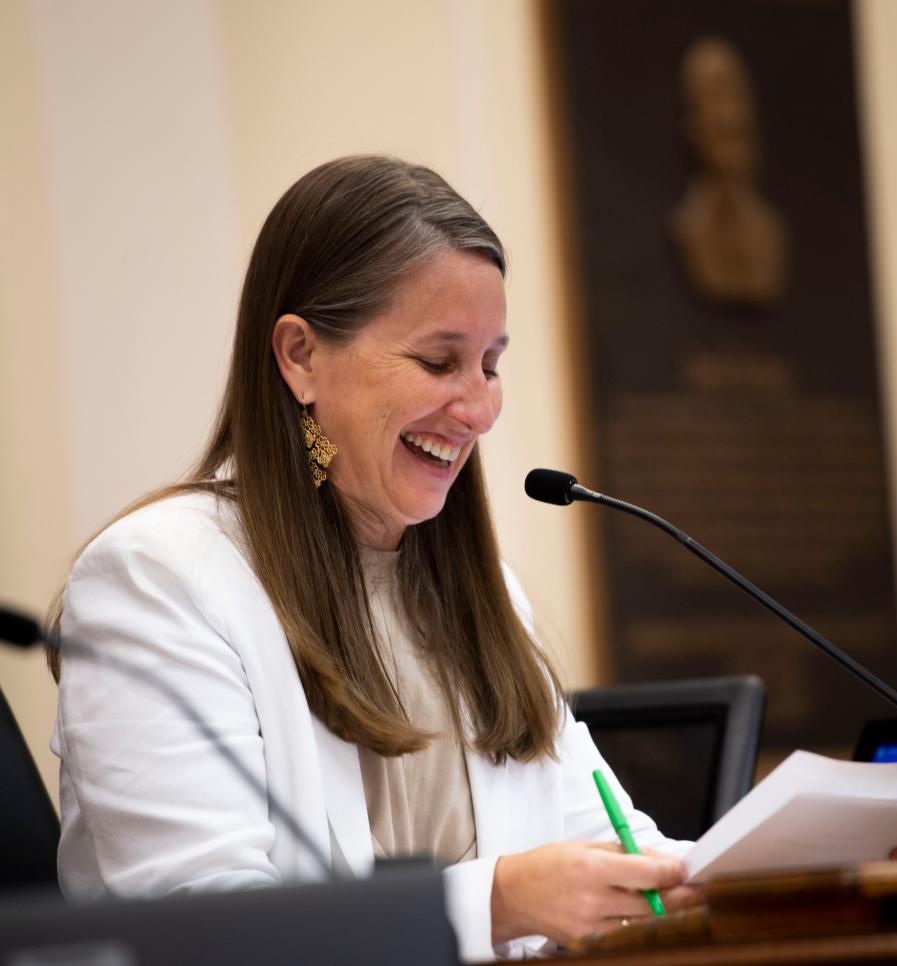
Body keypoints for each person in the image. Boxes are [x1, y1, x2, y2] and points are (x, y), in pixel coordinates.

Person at [50, 156, 699, 961]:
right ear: (299, 357)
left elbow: (623, 858)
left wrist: (779, 867)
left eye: (491, 365)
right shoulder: (155, 580)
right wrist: (494, 903)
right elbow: (205, 929)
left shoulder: (481, 592)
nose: (481, 408)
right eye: (439, 362)